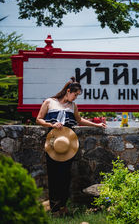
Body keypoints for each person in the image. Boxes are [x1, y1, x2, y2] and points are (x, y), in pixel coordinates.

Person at [36, 77, 106, 215]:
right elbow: (38, 119)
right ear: (68, 91)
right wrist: (51, 124)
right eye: (75, 94)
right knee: (53, 175)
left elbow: (79, 120)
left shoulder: (73, 106)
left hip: (68, 145)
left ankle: (63, 206)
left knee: (65, 176)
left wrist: (97, 124)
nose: (75, 98)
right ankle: (54, 207)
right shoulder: (49, 102)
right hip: (53, 143)